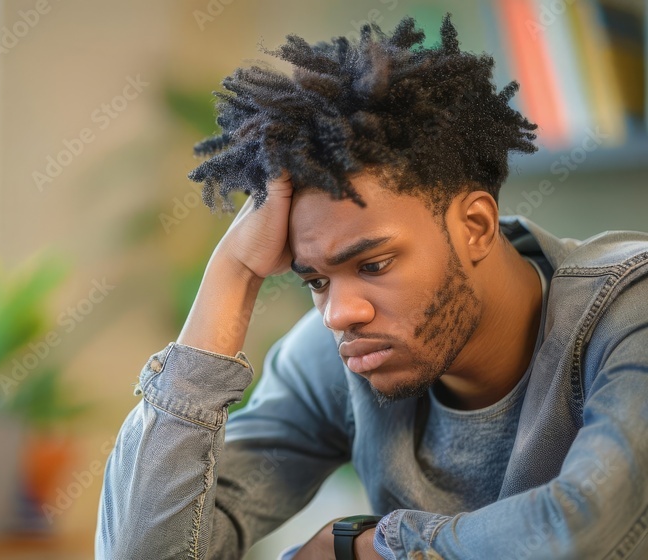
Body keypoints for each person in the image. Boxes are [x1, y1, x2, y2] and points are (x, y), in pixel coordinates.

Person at [95, 14, 648, 560]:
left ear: (475, 227)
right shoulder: (336, 356)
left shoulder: (629, 310)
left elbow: (582, 534)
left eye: (374, 264)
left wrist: (366, 547)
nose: (339, 314)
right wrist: (233, 273)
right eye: (315, 280)